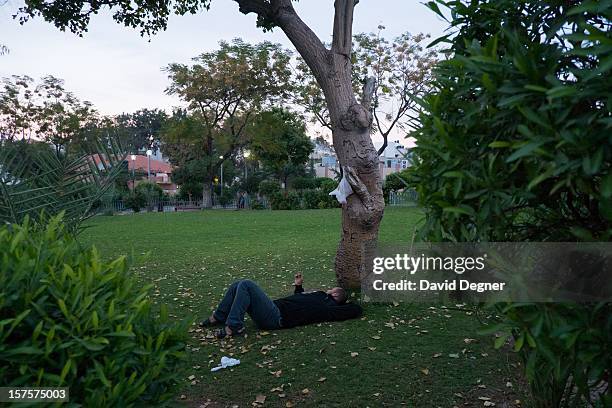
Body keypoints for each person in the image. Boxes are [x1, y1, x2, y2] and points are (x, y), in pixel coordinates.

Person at [200, 273, 362, 338]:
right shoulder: (320, 297)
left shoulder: (330, 309)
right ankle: (219, 317)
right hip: (273, 308)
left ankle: (233, 326)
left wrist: (346, 300)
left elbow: (356, 309)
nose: (328, 289)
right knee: (239, 284)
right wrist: (298, 286)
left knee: (247, 284)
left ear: (334, 295)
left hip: (276, 318)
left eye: (331, 289)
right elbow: (300, 301)